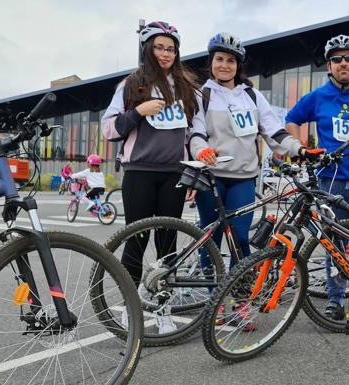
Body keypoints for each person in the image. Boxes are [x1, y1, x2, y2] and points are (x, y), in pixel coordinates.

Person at [190, 33, 322, 329]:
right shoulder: (203, 95)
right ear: (211, 62)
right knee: (208, 241)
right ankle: (214, 304)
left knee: (240, 241)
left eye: (231, 61)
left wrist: (300, 149)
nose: (225, 65)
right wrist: (202, 150)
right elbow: (195, 132)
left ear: (238, 65)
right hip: (210, 178)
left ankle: (239, 303)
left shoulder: (251, 96)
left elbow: (274, 132)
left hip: (242, 179)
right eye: (220, 59)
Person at [101, 21, 201, 333]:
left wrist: (193, 172)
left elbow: (194, 133)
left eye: (171, 49)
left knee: (167, 244)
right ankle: (132, 308)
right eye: (159, 47)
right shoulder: (131, 85)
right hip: (140, 173)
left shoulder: (186, 88)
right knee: (136, 242)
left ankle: (163, 308)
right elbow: (108, 129)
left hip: (173, 173)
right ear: (147, 49)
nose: (165, 53)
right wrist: (139, 111)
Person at [284, 34, 349, 321]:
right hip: (331, 180)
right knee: (334, 244)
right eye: (336, 59)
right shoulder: (318, 97)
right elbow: (291, 119)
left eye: (348, 58)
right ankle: (336, 300)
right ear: (329, 66)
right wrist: (300, 149)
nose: (343, 63)